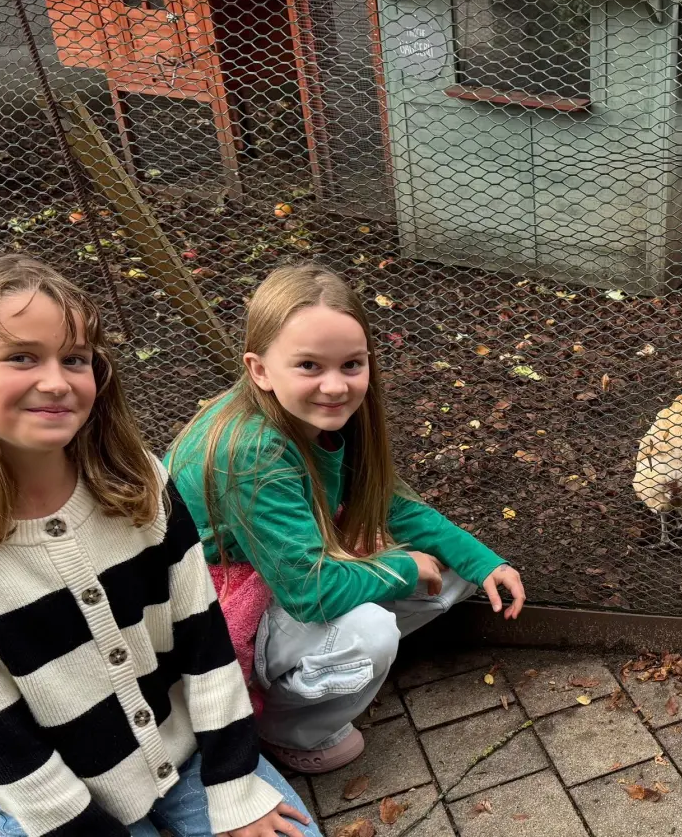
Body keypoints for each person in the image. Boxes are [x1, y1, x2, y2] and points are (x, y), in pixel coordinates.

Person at [0, 254, 319, 837]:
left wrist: (235, 784)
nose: (56, 382)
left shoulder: (140, 482)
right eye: (20, 357)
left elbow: (205, 643)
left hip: (187, 756)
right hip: (57, 799)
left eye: (74, 358)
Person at [166, 263, 526, 775]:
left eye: (351, 365)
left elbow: (387, 503)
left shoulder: (324, 415)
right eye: (309, 366)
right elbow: (309, 593)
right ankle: (287, 728)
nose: (335, 386)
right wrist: (403, 568)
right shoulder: (251, 452)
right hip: (220, 602)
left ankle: (325, 670)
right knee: (370, 631)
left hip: (281, 564)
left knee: (460, 569)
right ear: (260, 370)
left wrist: (484, 561)